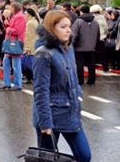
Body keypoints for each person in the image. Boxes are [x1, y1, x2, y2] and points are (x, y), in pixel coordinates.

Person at [32, 10, 91, 162]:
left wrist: (78, 95)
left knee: (84, 156)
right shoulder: (43, 54)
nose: (69, 30)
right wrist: (45, 124)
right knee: (47, 158)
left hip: (70, 113)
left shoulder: (68, 48)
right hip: (50, 116)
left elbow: (74, 79)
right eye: (63, 27)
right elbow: (40, 91)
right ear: (52, 28)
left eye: (69, 26)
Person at [0, 2, 26, 91]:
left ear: (14, 8)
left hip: (15, 43)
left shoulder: (20, 17)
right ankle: (7, 83)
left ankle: (18, 84)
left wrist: (7, 28)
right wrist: (7, 25)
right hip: (10, 42)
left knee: (16, 65)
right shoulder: (15, 16)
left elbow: (17, 31)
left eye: (11, 7)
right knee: (6, 63)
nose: (9, 9)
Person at [72, 6, 100, 85]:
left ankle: (80, 81)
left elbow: (74, 34)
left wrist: (72, 44)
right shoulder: (95, 22)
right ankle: (91, 81)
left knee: (79, 65)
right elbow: (98, 35)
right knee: (91, 65)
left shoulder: (78, 21)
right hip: (91, 48)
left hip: (79, 48)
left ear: (81, 12)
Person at [90, 4, 109, 73]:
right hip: (101, 38)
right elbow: (106, 28)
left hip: (93, 38)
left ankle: (93, 67)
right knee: (103, 54)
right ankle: (105, 68)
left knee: (93, 54)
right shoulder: (102, 17)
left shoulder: (92, 18)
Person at [23, 8, 39, 84]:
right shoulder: (35, 21)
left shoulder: (29, 23)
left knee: (28, 63)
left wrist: (27, 47)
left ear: (28, 14)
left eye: (25, 14)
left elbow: (28, 36)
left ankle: (30, 78)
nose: (24, 15)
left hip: (30, 45)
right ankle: (31, 78)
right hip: (35, 44)